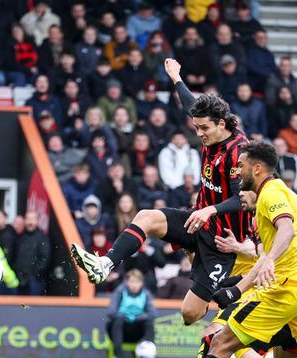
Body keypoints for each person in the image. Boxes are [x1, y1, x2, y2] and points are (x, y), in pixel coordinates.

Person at [141, 140, 297, 358]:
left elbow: (281, 237)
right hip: (294, 287)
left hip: (281, 288)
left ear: (257, 169)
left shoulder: (269, 197)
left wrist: (250, 264)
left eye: (240, 166)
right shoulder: (277, 201)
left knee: (220, 341)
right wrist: (237, 285)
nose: (237, 174)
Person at [73, 58, 249, 326]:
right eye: (196, 127)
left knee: (189, 315)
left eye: (204, 128)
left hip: (223, 240)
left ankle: (227, 289)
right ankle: (104, 265)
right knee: (146, 216)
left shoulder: (238, 152)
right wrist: (176, 78)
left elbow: (243, 199)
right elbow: (191, 105)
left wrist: (210, 210)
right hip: (197, 222)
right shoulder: (210, 128)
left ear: (222, 124)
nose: (199, 133)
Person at [105, 269, 156, 358]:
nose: (134, 285)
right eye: (132, 282)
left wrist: (134, 318)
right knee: (118, 320)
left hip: (137, 332)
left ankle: (147, 356)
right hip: (119, 330)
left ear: (142, 283)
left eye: (137, 282)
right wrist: (126, 317)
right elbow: (111, 312)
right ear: (127, 282)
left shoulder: (146, 294)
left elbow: (152, 314)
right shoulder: (120, 291)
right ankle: (118, 356)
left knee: (149, 322)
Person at [14, 211, 50, 295]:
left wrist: (32, 275)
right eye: (28, 219)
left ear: (37, 221)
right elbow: (15, 258)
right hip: (19, 279)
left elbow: (44, 259)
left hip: (35, 281)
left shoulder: (43, 238)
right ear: (24, 220)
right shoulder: (20, 237)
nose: (30, 222)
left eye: (33, 219)